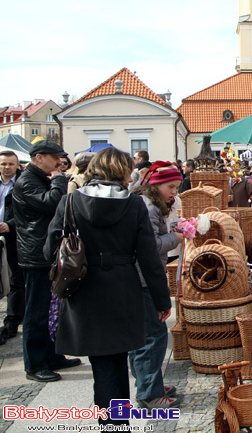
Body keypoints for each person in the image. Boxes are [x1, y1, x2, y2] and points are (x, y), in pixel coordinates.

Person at [44, 148, 172, 428]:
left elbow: (49, 250)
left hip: (85, 290)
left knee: (102, 364)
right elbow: (149, 258)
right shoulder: (135, 204)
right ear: (124, 171)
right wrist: (163, 300)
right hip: (123, 289)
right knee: (117, 360)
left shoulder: (70, 201)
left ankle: (110, 422)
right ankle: (117, 422)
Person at [12, 140, 79, 382]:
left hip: (46, 252)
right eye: (54, 158)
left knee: (53, 310)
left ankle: (51, 355)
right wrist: (60, 179)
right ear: (39, 157)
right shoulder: (28, 181)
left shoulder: (39, 178)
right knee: (37, 312)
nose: (59, 162)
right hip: (36, 256)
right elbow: (54, 203)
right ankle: (35, 364)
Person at [130, 162, 183, 409]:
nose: (174, 192)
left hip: (138, 278)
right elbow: (149, 248)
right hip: (144, 279)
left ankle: (146, 382)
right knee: (153, 335)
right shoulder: (149, 207)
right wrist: (177, 237)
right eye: (171, 186)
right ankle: (149, 393)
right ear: (155, 184)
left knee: (142, 334)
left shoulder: (143, 202)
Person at [0, 150, 23, 344]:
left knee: (15, 280)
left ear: (17, 165)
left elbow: (27, 214)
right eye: (3, 164)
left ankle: (12, 322)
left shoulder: (22, 184)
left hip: (14, 237)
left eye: (10, 164)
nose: (7, 167)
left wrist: (11, 224)